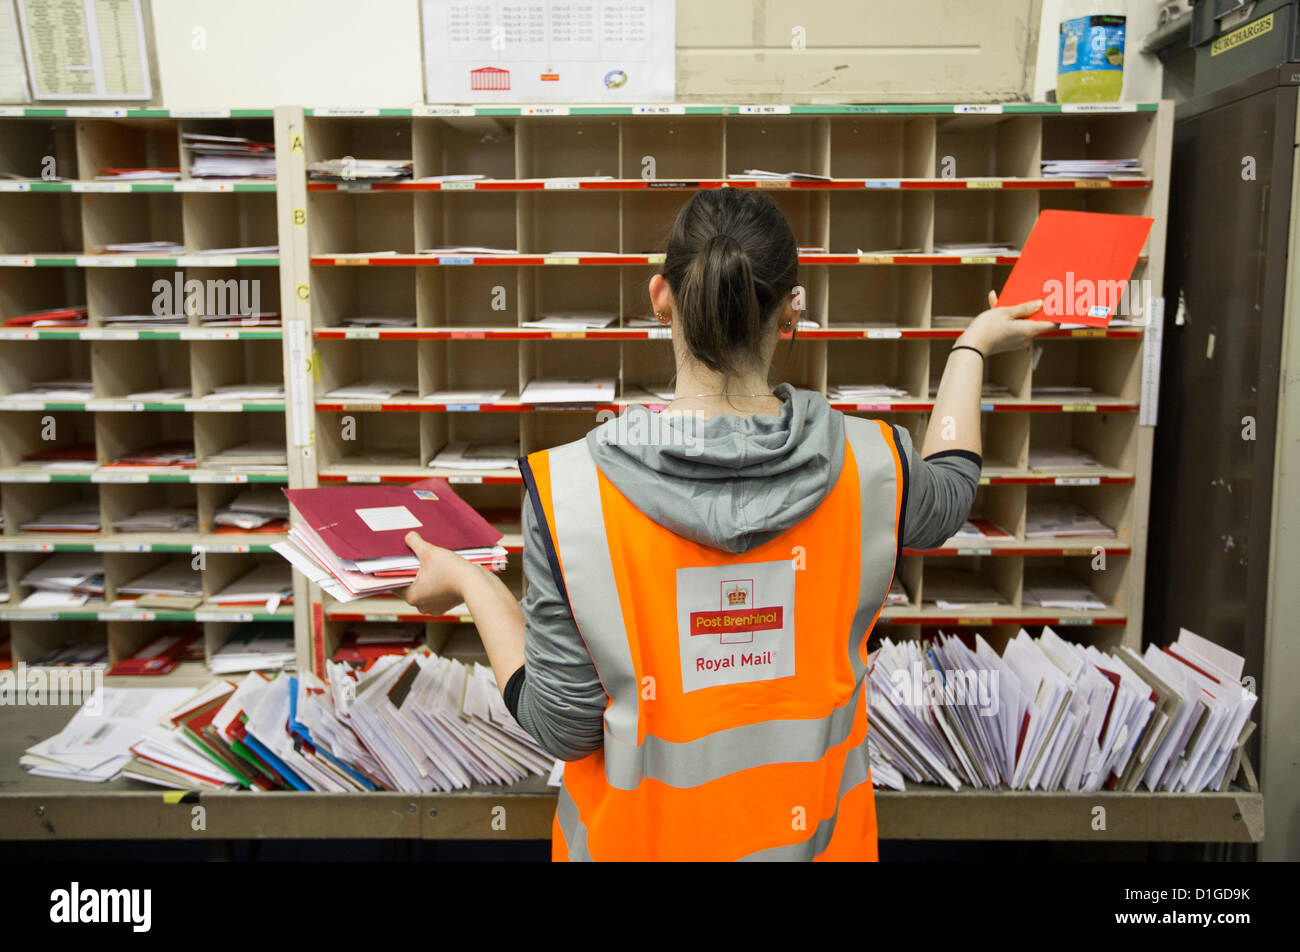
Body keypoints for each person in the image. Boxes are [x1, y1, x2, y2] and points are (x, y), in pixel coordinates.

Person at [403, 187, 1050, 861]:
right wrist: (972, 348)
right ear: (793, 313)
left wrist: (471, 584)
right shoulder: (874, 464)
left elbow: (564, 729)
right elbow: (950, 490)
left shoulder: (569, 490)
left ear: (661, 297)